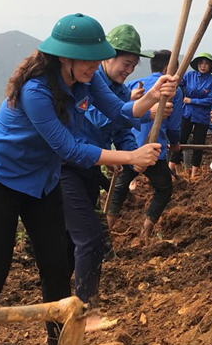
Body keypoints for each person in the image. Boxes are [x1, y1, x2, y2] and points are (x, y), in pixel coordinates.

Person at [0, 13, 175, 345]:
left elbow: (120, 112)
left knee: (56, 263)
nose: (94, 66)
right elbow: (69, 148)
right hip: (1, 178)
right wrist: (129, 157)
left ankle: (57, 342)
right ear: (64, 57)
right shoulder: (36, 90)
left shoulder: (86, 81)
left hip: (41, 180)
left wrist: (152, 96)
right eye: (88, 59)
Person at [62, 23, 161, 307]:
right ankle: (84, 305)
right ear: (107, 57)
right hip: (69, 165)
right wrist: (145, 113)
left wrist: (134, 156)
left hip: (91, 167)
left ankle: (71, 295)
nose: (128, 70)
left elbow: (121, 131)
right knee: (90, 237)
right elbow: (100, 119)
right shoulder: (91, 83)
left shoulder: (119, 89)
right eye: (125, 63)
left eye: (133, 65)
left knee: (77, 238)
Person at [107, 50, 183, 238]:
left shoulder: (132, 85)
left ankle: (106, 232)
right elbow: (174, 126)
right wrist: (175, 144)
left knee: (118, 191)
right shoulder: (172, 90)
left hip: (128, 148)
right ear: (168, 68)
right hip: (152, 151)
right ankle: (146, 232)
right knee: (164, 190)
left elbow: (119, 117)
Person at [169, 52, 212, 180]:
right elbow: (177, 86)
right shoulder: (189, 75)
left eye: (206, 64)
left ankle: (194, 174)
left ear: (210, 66)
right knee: (180, 140)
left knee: (199, 143)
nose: (203, 66)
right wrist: (180, 99)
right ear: (197, 64)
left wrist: (191, 101)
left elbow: (210, 100)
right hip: (186, 113)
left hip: (202, 116)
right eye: (201, 63)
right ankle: (170, 169)